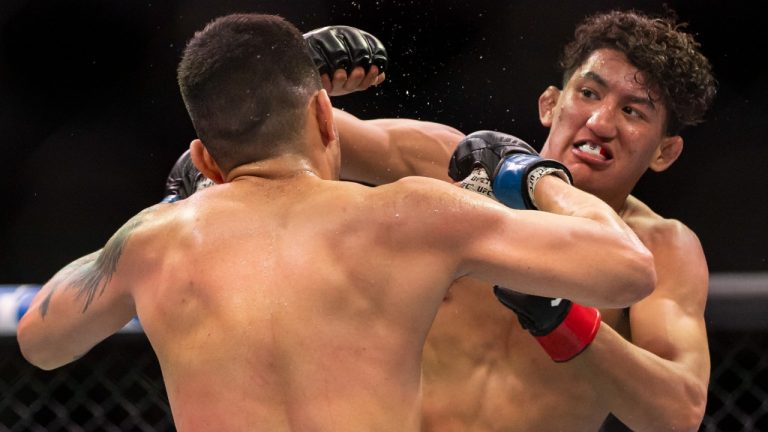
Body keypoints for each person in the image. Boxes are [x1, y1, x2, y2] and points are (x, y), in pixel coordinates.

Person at [16, 13, 655, 431]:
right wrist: (531, 173)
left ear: (206, 158)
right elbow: (626, 269)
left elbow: (41, 342)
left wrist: (169, 209)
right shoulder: (411, 216)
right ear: (328, 118)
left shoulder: (154, 242)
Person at [421, 9, 716, 432]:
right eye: (590, 93)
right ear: (550, 103)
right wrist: (313, 70)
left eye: (633, 111)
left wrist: (560, 319)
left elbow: (678, 412)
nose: (600, 123)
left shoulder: (659, 247)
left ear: (664, 152)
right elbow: (320, 146)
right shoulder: (459, 172)